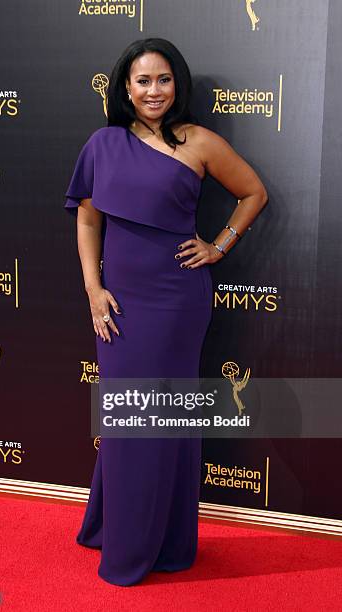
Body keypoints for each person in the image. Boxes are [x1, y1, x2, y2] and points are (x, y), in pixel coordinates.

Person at [64, 37, 268, 586]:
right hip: (121, 303)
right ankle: (120, 530)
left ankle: (165, 544)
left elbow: (253, 193)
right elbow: (88, 221)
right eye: (142, 81)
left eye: (163, 80)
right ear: (125, 88)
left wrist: (218, 246)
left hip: (179, 301)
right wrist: (93, 288)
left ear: (177, 85)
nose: (153, 90)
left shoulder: (199, 142)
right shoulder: (102, 144)